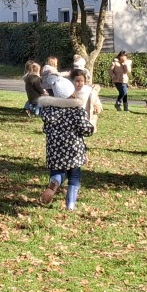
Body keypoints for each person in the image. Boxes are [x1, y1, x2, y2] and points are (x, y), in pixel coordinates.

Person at [39, 68, 95, 210]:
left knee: (57, 171)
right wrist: (90, 128)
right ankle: (70, 205)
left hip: (54, 149)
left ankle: (55, 183)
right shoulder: (77, 110)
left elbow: (45, 129)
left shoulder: (48, 110)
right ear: (71, 92)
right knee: (74, 175)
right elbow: (85, 129)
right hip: (73, 148)